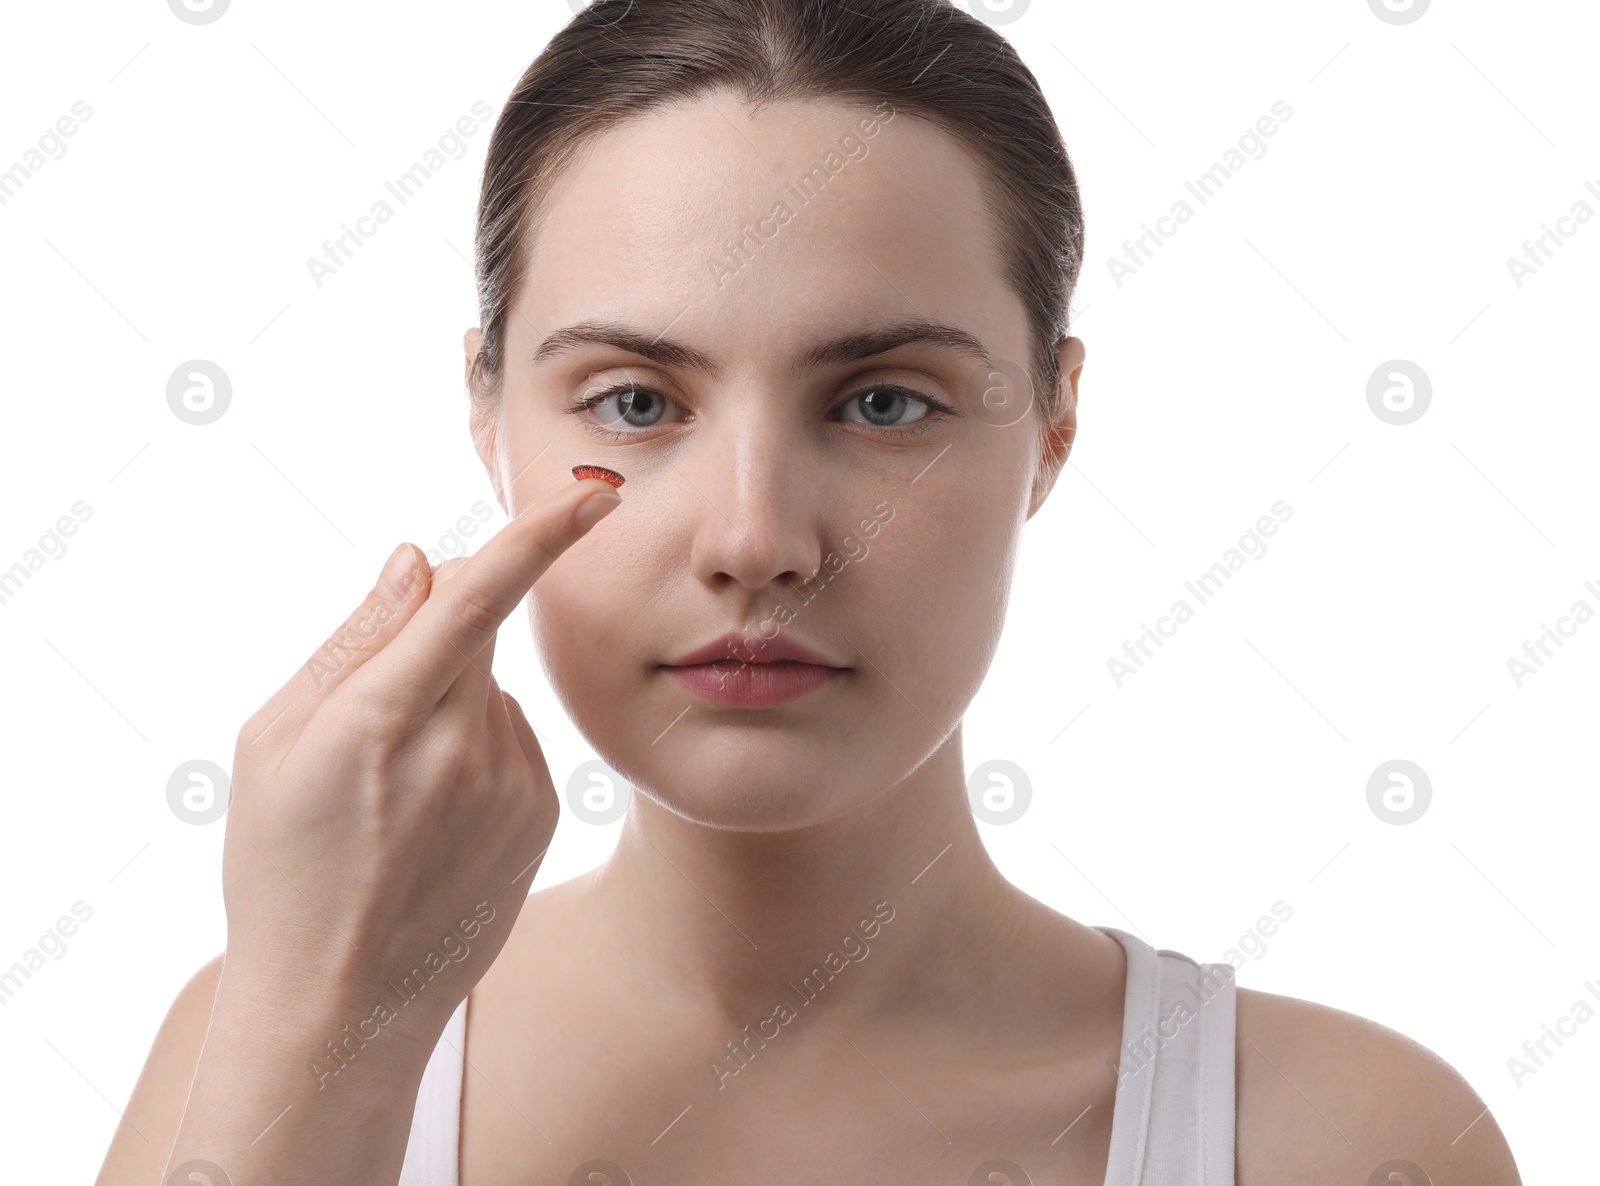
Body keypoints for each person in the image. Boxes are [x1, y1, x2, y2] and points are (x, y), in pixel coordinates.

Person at [98, 2, 1521, 1183]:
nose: (757, 537)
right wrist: (322, 1055)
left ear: (1054, 425)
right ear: (490, 417)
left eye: (886, 402)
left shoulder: (1342, 1138)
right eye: (640, 399)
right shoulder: (262, 1037)